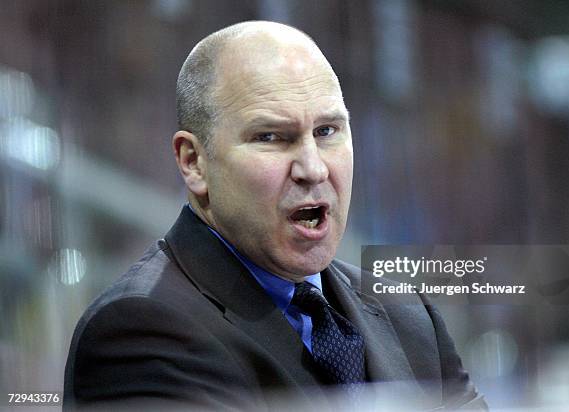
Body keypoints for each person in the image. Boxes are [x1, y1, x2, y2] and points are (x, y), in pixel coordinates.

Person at [63, 21, 487, 411]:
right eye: (271, 137)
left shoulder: (408, 315)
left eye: (327, 132)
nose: (313, 168)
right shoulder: (139, 331)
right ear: (194, 162)